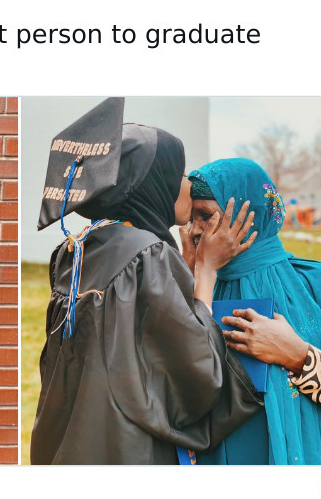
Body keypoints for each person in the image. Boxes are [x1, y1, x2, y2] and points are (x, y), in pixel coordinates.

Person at [31, 123, 263, 465]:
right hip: (126, 450)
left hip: (71, 441)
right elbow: (199, 373)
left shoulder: (76, 248)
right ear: (152, 182)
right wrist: (206, 271)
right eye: (180, 171)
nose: (187, 182)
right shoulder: (147, 255)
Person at [187, 158, 321, 464]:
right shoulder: (198, 286)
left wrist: (300, 357)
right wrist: (196, 274)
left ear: (251, 216)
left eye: (205, 216)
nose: (194, 231)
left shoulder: (316, 283)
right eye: (190, 219)